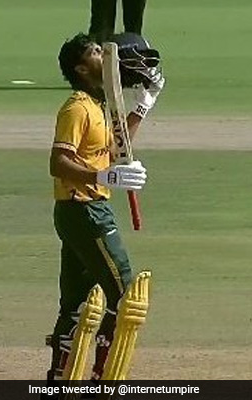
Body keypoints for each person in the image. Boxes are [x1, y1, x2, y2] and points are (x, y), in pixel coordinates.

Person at [45, 32, 164, 387]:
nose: (105, 55)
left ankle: (58, 382)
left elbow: (114, 148)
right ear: (81, 68)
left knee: (75, 303)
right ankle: (102, 380)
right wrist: (102, 176)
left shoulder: (98, 107)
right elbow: (58, 162)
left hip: (82, 211)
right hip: (85, 211)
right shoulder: (77, 108)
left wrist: (143, 106)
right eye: (97, 52)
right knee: (126, 296)